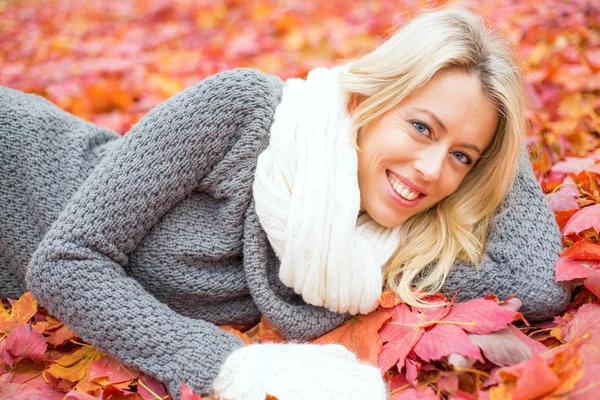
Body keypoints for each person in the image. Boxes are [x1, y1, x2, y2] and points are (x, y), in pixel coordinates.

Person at [0, 6, 570, 400]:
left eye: (462, 157)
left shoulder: (384, 249)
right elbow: (67, 261)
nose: (430, 169)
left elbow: (542, 286)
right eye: (421, 127)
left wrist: (495, 127)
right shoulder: (245, 112)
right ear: (372, 96)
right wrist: (224, 365)